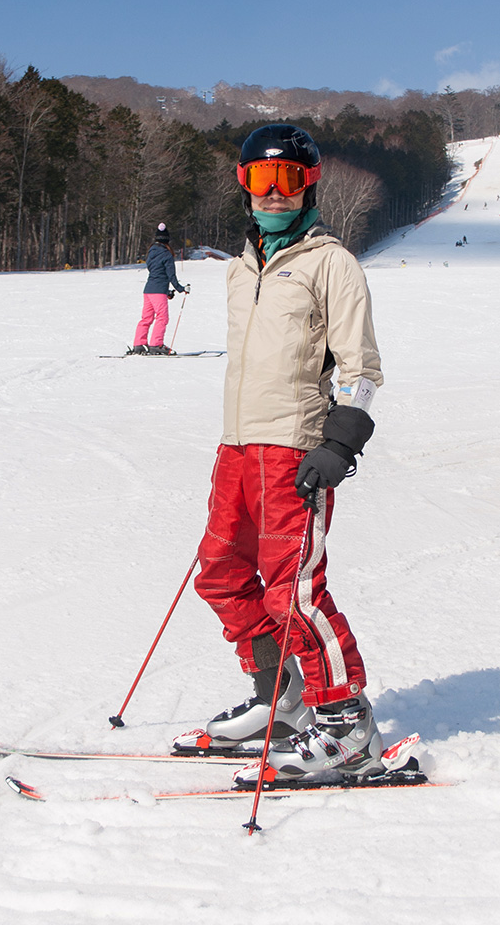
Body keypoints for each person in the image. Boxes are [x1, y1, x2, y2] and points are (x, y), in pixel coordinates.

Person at [180, 124, 386, 783]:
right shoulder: (241, 268)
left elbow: (361, 367)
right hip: (236, 447)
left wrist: (340, 441)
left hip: (295, 450)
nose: (273, 195)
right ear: (244, 187)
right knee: (219, 573)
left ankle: (347, 725)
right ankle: (282, 700)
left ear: (307, 187)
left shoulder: (332, 263)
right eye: (260, 182)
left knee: (294, 591)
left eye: (287, 181)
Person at [130, 224, 188, 355]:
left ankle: (139, 343)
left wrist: (167, 291)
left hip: (148, 290)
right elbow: (170, 275)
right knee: (162, 317)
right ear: (167, 240)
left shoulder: (151, 252)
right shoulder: (167, 254)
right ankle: (156, 344)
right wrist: (180, 289)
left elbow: (156, 272)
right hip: (158, 291)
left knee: (146, 318)